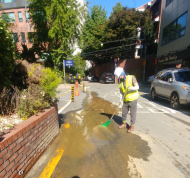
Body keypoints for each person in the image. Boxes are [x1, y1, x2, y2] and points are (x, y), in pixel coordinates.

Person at [114, 67, 139, 133]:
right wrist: (120, 100)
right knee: (124, 112)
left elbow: (137, 87)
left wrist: (131, 88)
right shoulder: (120, 81)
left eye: (119, 77)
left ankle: (131, 126)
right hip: (125, 99)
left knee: (132, 113)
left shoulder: (131, 78)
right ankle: (124, 123)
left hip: (133, 99)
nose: (119, 78)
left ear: (122, 74)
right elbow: (121, 91)